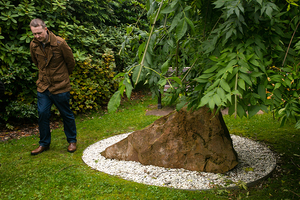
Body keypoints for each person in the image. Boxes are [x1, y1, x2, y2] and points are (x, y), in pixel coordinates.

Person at [29, 18, 77, 155]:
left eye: (39, 33)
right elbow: (36, 62)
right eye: (34, 34)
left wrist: (61, 77)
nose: (37, 36)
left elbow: (70, 62)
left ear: (45, 29)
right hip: (43, 86)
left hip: (60, 86)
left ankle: (72, 141)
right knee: (43, 114)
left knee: (66, 114)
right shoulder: (33, 45)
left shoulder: (60, 43)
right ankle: (44, 144)